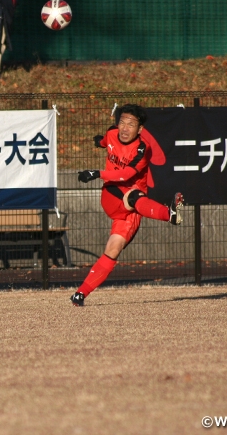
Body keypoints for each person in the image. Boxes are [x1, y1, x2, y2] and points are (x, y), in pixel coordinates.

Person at [71, 104, 184, 307]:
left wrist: (96, 173)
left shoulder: (142, 149)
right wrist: (100, 142)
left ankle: (80, 294)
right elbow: (106, 141)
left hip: (133, 209)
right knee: (132, 195)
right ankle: (169, 213)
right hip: (113, 196)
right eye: (122, 122)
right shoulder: (112, 132)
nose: (124, 128)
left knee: (113, 249)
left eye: (131, 124)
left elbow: (128, 174)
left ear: (140, 129)